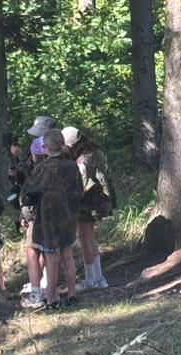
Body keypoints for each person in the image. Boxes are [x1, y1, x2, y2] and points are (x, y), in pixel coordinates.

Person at [20, 128, 82, 308]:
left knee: (52, 259)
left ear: (46, 147)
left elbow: (28, 191)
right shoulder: (72, 166)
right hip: (69, 215)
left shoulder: (43, 168)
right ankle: (72, 295)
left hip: (49, 218)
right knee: (68, 256)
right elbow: (80, 189)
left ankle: (52, 299)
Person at [63, 126, 115, 291]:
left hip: (87, 203)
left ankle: (91, 279)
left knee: (85, 239)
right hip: (99, 200)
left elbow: (82, 185)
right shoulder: (96, 152)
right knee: (90, 239)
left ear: (71, 145)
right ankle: (98, 278)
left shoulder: (82, 161)